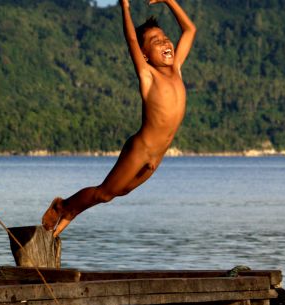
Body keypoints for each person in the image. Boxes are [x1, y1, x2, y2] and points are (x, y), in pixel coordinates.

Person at [42, 0, 196, 237]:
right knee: (104, 193)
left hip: (157, 157)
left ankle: (71, 210)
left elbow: (190, 30)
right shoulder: (148, 76)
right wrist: (125, 7)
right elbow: (132, 40)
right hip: (141, 150)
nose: (165, 42)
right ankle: (63, 207)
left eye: (165, 38)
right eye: (155, 42)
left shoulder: (176, 69)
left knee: (117, 193)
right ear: (144, 55)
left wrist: (169, 1)